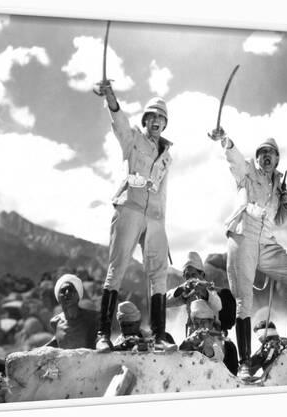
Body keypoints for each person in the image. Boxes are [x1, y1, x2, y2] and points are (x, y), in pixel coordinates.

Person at [210, 127, 287, 379]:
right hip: (243, 235)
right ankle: (245, 363)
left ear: (278, 159)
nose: (267, 156)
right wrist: (225, 140)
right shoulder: (247, 172)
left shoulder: (278, 183)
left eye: (271, 153)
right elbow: (233, 158)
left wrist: (286, 204)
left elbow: (278, 221)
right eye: (263, 152)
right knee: (244, 302)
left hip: (267, 240)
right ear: (257, 157)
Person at [95, 81, 176, 352]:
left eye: (161, 118)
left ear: (165, 124)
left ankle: (159, 336)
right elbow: (119, 122)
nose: (156, 121)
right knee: (117, 268)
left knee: (159, 273)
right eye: (152, 117)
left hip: (155, 217)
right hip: (129, 206)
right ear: (145, 120)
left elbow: (163, 190)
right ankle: (102, 334)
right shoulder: (133, 139)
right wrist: (111, 99)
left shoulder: (167, 157)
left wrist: (162, 224)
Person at [166, 251, 223, 335]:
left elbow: (218, 305)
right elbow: (164, 302)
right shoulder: (186, 292)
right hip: (192, 336)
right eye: (187, 276)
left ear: (202, 275)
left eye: (193, 274)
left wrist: (205, 293)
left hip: (212, 336)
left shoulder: (210, 289)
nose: (190, 279)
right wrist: (180, 289)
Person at [45, 274, 99, 349]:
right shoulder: (55, 322)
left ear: (78, 295)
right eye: (63, 291)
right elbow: (57, 341)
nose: (67, 293)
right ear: (58, 298)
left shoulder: (94, 317)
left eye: (71, 290)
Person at [179, 300, 226, 364]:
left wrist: (208, 346)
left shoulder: (218, 338)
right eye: (196, 323)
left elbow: (218, 358)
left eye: (203, 322)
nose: (200, 326)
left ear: (211, 322)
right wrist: (189, 342)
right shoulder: (193, 337)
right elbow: (180, 355)